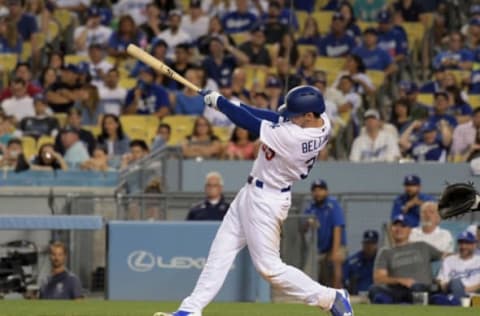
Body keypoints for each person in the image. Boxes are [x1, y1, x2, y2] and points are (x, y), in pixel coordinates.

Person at [154, 85, 353, 316]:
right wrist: (231, 104)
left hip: (267, 200)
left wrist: (221, 104)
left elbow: (252, 124)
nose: (290, 118)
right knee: (220, 252)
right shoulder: (322, 120)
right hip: (252, 193)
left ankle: (331, 297)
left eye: (295, 115)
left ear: (309, 116)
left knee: (270, 269)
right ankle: (190, 309)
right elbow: (275, 117)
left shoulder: (295, 137)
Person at [368, 214, 444, 304]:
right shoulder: (385, 252)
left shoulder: (422, 246)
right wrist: (400, 280)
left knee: (418, 288)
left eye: (403, 226)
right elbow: (379, 278)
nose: (398, 229)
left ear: (410, 230)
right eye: (395, 226)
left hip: (421, 289)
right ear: (391, 229)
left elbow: (446, 256)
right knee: (374, 289)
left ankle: (401, 304)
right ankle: (391, 304)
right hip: (397, 289)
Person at [304, 179, 347, 289]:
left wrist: (335, 251)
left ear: (326, 191)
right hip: (320, 248)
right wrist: (308, 222)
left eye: (321, 190)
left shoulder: (332, 204)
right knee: (318, 273)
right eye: (315, 190)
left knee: (336, 260)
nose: (318, 193)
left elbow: (337, 228)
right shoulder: (311, 207)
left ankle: (338, 292)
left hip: (337, 245)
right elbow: (302, 228)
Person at [436, 231, 480, 301]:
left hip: (475, 297)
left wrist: (463, 289)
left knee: (456, 283)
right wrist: (447, 286)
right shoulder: (449, 260)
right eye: (461, 243)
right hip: (452, 294)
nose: (463, 246)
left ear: (474, 245)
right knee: (455, 283)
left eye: (467, 243)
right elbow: (441, 280)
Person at [343, 230, 378, 295]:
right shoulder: (352, 261)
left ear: (376, 245)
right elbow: (344, 280)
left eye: (372, 243)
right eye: (367, 243)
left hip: (376, 295)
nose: (369, 246)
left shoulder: (381, 261)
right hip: (357, 295)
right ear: (363, 244)